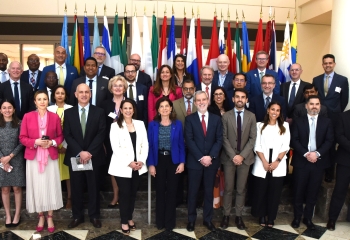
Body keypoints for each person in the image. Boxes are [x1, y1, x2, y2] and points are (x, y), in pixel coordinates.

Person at [19, 90, 64, 233]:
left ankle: (50, 216)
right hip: (34, 157)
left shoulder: (54, 117)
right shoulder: (27, 116)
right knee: (37, 187)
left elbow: (60, 136)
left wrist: (52, 142)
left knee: (50, 185)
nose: (42, 102)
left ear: (48, 100)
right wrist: (35, 141)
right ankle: (41, 216)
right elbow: (22, 137)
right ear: (35, 101)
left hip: (50, 157)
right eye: (39, 99)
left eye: (45, 99)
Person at [64, 83, 106, 229]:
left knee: (94, 187)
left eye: (86, 92)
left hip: (93, 156)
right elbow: (67, 135)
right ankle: (77, 216)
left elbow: (101, 133)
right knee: (76, 188)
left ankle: (94, 216)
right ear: (75, 94)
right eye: (80, 92)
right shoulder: (68, 113)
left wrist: (89, 153)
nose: (83, 94)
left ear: (90, 94)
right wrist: (80, 152)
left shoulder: (99, 112)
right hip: (76, 156)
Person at [291, 96, 334, 230]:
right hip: (301, 161)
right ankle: (297, 217)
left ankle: (308, 218)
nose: (314, 106)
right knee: (298, 191)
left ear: (320, 106)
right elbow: (294, 140)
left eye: (317, 104)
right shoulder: (298, 121)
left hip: (318, 162)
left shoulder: (327, 122)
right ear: (306, 106)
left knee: (313, 192)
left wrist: (317, 154)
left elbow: (329, 141)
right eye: (312, 104)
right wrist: (306, 153)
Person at [108, 99, 148, 235]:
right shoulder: (115, 126)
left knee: (132, 194)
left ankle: (130, 217)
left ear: (134, 109)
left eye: (130, 108)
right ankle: (124, 221)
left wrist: (141, 161)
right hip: (122, 166)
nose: (128, 110)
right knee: (124, 194)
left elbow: (145, 144)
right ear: (121, 110)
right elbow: (116, 148)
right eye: (125, 108)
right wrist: (129, 162)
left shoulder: (140, 124)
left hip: (137, 166)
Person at [185, 91, 223, 232]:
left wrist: (210, 156)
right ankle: (191, 220)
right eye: (198, 100)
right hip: (195, 163)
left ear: (208, 101)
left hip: (211, 163)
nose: (201, 102)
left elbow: (219, 140)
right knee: (193, 192)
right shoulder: (189, 119)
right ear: (195, 103)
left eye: (204, 99)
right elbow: (189, 140)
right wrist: (201, 157)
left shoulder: (216, 119)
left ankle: (208, 220)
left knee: (208, 192)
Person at [220, 88, 257, 230]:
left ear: (246, 100)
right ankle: (226, 215)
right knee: (228, 188)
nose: (240, 99)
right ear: (233, 99)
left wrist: (241, 156)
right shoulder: (226, 116)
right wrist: (233, 156)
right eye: (237, 97)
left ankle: (239, 216)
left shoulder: (251, 116)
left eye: (243, 97)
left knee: (241, 189)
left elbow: (253, 138)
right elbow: (223, 138)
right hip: (229, 158)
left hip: (245, 159)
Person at [148, 97, 185, 231]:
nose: (164, 109)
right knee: (159, 191)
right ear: (158, 110)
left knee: (172, 192)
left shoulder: (178, 124)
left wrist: (182, 162)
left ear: (170, 108)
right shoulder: (152, 125)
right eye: (161, 106)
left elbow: (181, 144)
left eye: (166, 106)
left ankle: (170, 222)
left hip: (173, 161)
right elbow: (150, 146)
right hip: (158, 160)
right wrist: (151, 164)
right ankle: (160, 222)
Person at [251, 101, 290, 228]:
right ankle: (261, 215)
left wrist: (276, 162)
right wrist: (264, 162)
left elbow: (286, 146)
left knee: (275, 193)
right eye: (273, 109)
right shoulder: (259, 125)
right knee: (261, 191)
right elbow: (257, 145)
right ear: (268, 110)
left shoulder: (285, 126)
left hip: (278, 165)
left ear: (280, 113)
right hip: (262, 163)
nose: (275, 112)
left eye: (278, 110)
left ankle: (271, 217)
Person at [312, 54, 349, 182]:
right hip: (319, 117)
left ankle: (329, 173)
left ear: (334, 64)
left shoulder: (342, 80)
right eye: (325, 63)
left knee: (331, 145)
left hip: (334, 118)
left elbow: (344, 100)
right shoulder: (316, 80)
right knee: (319, 142)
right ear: (322, 64)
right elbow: (314, 98)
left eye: (330, 63)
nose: (327, 65)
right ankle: (318, 168)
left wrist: (336, 112)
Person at [101, 75, 133, 208]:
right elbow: (102, 125)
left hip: (130, 140)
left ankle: (127, 195)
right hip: (111, 142)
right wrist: (102, 143)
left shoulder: (131, 102)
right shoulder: (105, 104)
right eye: (115, 85)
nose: (118, 88)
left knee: (128, 165)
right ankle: (116, 195)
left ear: (125, 87)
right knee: (114, 168)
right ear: (111, 88)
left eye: (120, 85)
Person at [47, 85, 73, 209]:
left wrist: (66, 146)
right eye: (57, 93)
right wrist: (54, 144)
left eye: (62, 93)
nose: (60, 95)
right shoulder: (48, 109)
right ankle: (54, 200)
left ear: (66, 95)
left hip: (68, 146)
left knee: (68, 174)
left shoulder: (71, 109)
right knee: (53, 174)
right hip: (52, 146)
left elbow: (73, 130)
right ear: (54, 95)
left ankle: (69, 198)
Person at [0, 99, 24, 228]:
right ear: (0, 110)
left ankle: (17, 214)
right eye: (4, 108)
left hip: (16, 158)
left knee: (16, 188)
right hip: (1, 161)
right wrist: (2, 159)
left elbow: (22, 142)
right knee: (4, 189)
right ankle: (8, 215)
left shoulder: (19, 123)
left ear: (14, 109)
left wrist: (10, 156)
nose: (7, 110)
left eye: (10, 107)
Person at [327, 109, 350, 231]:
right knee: (339, 190)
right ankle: (332, 219)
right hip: (345, 160)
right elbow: (339, 136)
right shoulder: (342, 116)